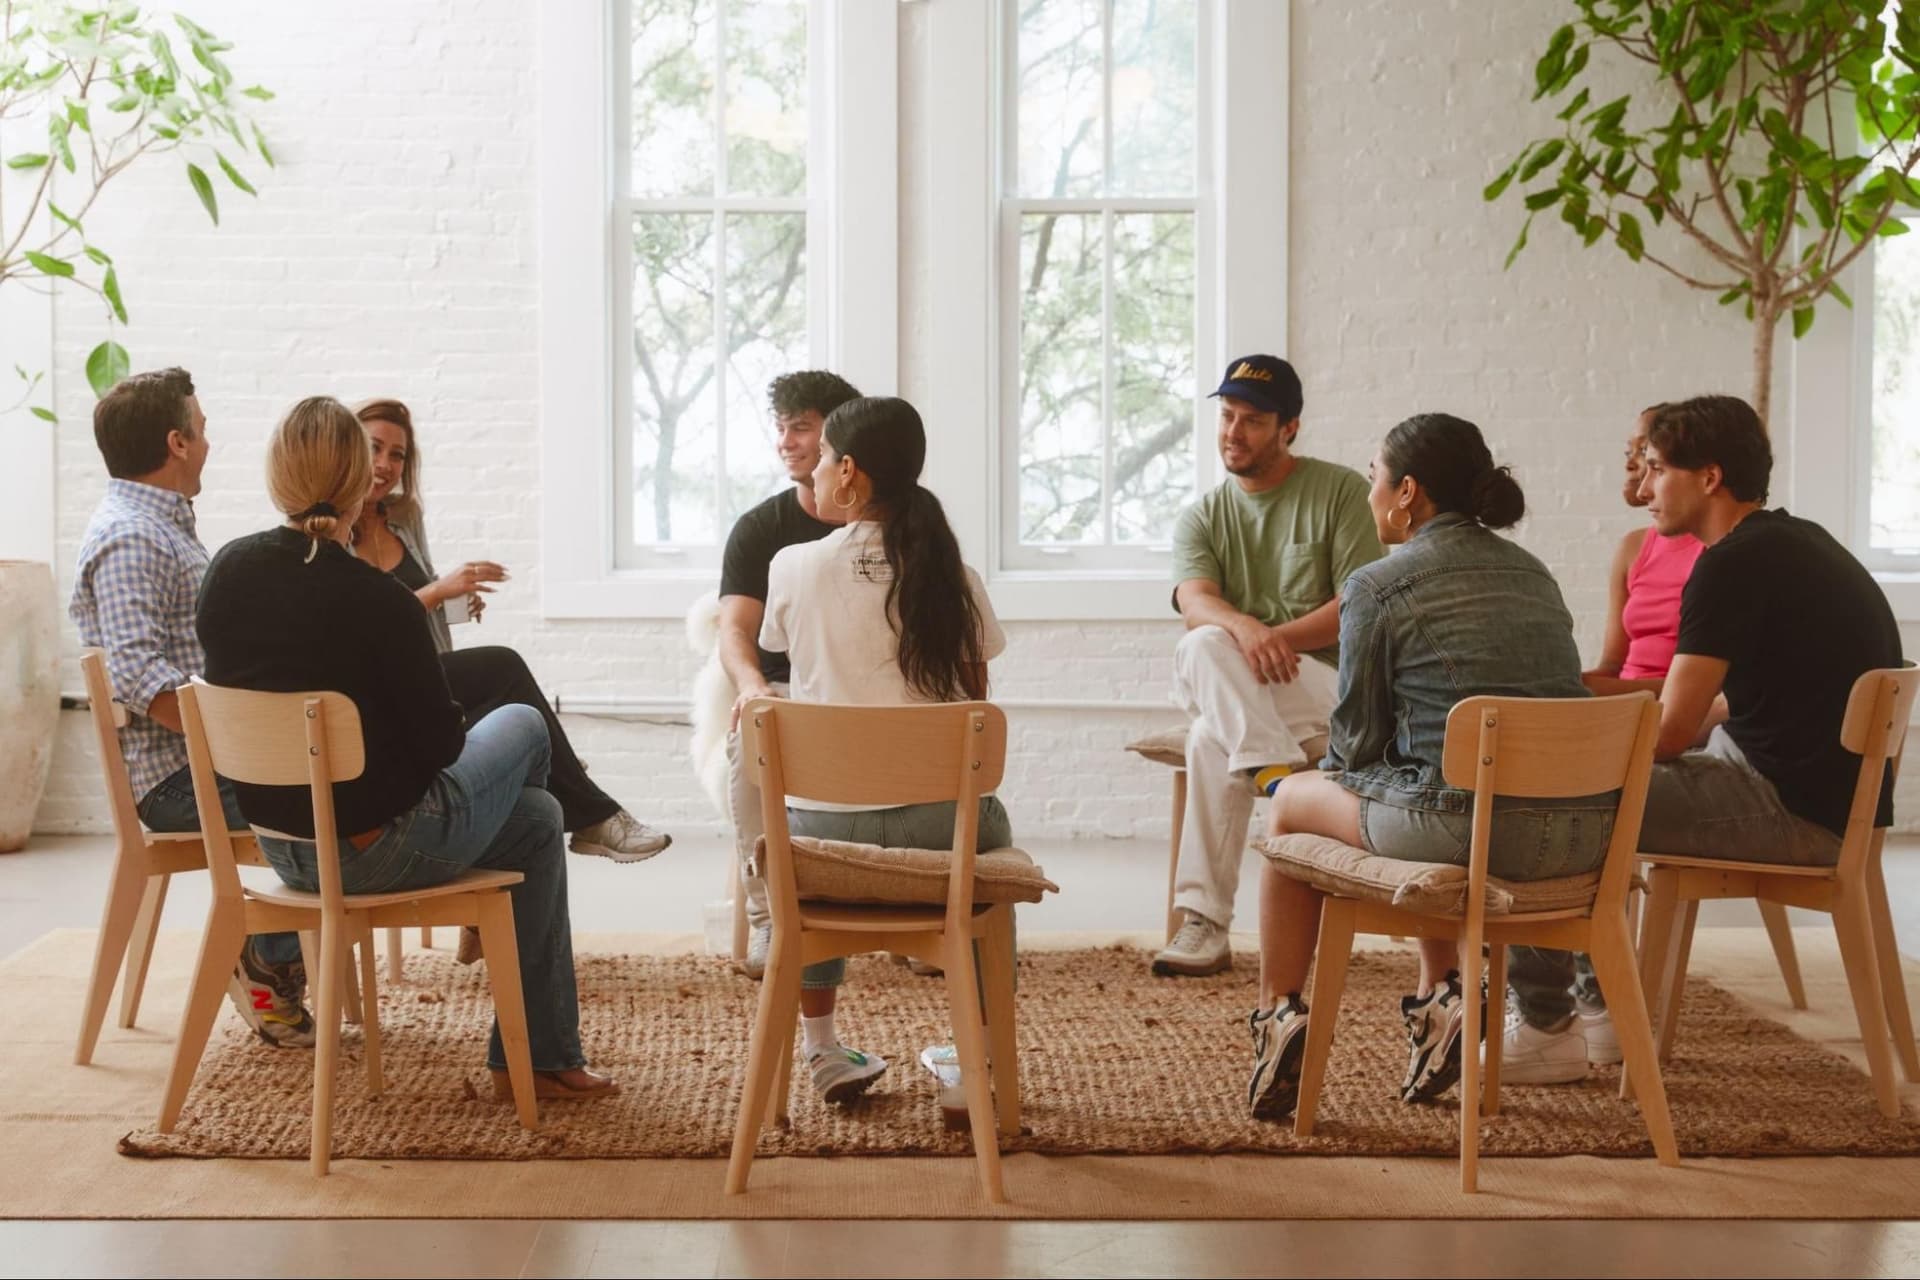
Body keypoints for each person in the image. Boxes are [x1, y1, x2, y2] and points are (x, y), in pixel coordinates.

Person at [197, 396, 617, 1100]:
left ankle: (540, 1057)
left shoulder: (227, 572)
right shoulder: (377, 600)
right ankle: (535, 1054)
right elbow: (443, 743)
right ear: (364, 481)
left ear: (278, 477)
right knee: (523, 723)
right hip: (372, 852)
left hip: (281, 847)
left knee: (540, 822)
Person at [1500, 394, 1902, 1079]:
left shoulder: (1728, 565)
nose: (1644, 486)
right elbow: (1735, 705)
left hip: (1788, 811)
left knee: (1531, 809)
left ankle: (1545, 1025)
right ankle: (1599, 1017)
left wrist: (1555, 751)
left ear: (1709, 477)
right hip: (1825, 800)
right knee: (1567, 798)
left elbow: (1669, 733)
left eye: (1656, 468)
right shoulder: (1797, 541)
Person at [1244, 413, 1617, 1121]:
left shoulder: (1377, 586)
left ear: (1407, 490)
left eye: (1376, 478)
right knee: (1422, 788)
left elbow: (1352, 752)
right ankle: (1438, 996)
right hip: (1580, 835)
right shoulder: (1533, 573)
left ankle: (1278, 1015)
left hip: (1468, 835)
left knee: (1291, 800)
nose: (1370, 494)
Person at [757, 395, 1009, 1104]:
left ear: (850, 474)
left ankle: (823, 1052)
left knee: (801, 847)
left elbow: (776, 654)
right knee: (992, 838)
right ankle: (972, 1060)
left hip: (817, 830)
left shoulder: (792, 566)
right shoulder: (955, 579)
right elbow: (975, 713)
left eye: (828, 456)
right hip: (941, 831)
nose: (821, 468)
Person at [69, 368, 313, 1048]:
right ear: (176, 442)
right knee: (332, 788)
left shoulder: (161, 528)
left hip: (201, 761)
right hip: (177, 782)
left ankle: (279, 945)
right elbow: (140, 677)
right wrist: (246, 737)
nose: (209, 444)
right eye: (201, 432)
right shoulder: (131, 539)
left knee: (329, 771)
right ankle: (266, 954)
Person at [349, 398, 670, 863]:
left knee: (519, 745)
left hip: (425, 680)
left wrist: (453, 603)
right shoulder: (330, 526)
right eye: (374, 448)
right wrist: (437, 592)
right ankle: (588, 808)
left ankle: (490, 922)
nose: (385, 464)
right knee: (503, 669)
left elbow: (415, 608)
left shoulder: (405, 517)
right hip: (380, 700)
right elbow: (362, 628)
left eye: (397, 455)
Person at [1152, 355, 1385, 978]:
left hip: (1324, 688)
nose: (1233, 431)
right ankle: (1268, 765)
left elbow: (1356, 606)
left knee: (1209, 730)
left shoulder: (1337, 492)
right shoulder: (1203, 515)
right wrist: (1247, 632)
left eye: (1252, 420)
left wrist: (1264, 640)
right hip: (1252, 696)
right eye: (1226, 416)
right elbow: (1197, 603)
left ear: (1290, 428)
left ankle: (1203, 923)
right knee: (1201, 645)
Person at [717, 371, 863, 978]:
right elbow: (734, 631)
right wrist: (752, 687)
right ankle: (768, 915)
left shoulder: (899, 526)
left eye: (800, 428)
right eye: (779, 429)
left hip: (869, 694)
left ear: (839, 439)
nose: (785, 442)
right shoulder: (760, 530)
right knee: (750, 736)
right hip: (787, 694)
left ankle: (922, 906)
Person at [1583, 403, 1703, 697]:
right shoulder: (1633, 547)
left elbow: (1709, 688)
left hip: (1676, 711)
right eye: (1630, 451)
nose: (1630, 464)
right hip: (1622, 706)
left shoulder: (1717, 552)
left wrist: (1611, 691)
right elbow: (1612, 664)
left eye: (1643, 450)